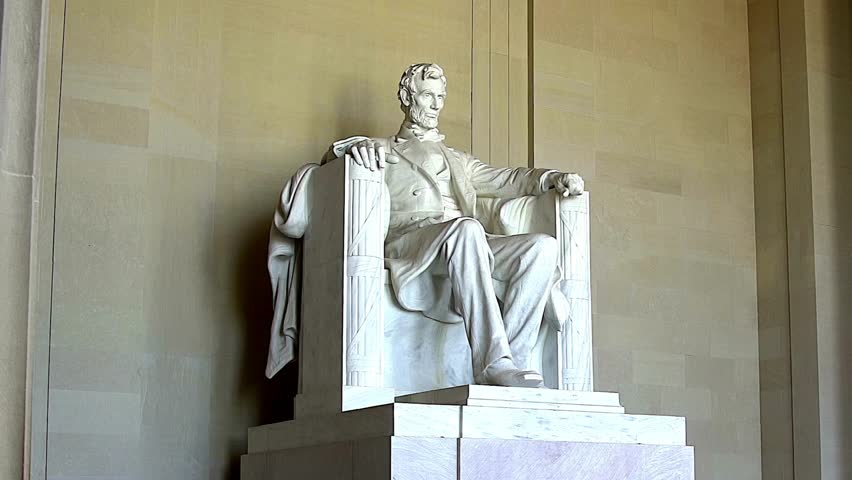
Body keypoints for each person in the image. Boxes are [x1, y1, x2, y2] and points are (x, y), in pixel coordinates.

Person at [333, 63, 584, 387]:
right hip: (412, 240)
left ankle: (513, 360)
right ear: (407, 98)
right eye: (428, 96)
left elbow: (508, 179)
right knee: (467, 229)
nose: (436, 105)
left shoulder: (458, 159)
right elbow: (331, 161)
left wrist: (551, 178)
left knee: (541, 248)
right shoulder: (382, 148)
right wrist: (356, 147)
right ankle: (492, 363)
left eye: (441, 97)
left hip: (466, 241)